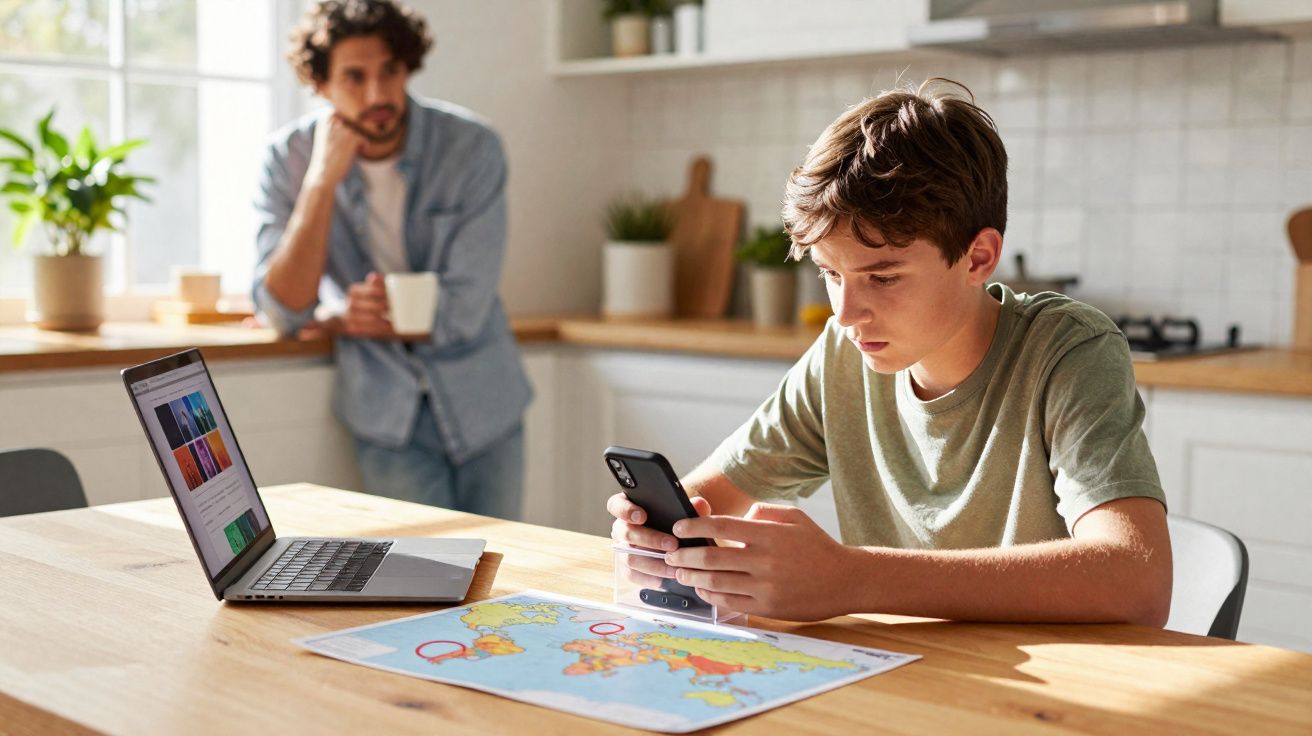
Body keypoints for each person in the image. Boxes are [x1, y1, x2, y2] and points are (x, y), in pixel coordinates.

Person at [608, 78, 1173, 625]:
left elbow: (1136, 580)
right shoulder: (842, 355)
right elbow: (712, 496)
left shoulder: (1068, 351)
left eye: (883, 277)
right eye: (831, 273)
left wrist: (852, 578)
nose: (846, 314)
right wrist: (658, 530)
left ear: (978, 258)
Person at [252, 0, 530, 519]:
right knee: (421, 580)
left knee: (508, 573)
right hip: (386, 412)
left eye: (390, 72)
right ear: (319, 83)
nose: (378, 95)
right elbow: (283, 309)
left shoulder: (472, 147)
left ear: (408, 67)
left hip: (485, 400)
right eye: (354, 78)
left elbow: (464, 308)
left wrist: (344, 321)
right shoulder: (285, 160)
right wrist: (320, 182)